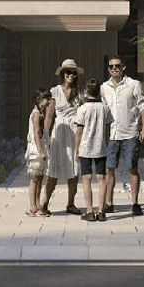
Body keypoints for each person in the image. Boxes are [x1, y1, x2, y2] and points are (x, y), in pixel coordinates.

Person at [100, 56, 144, 216]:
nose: (114, 68)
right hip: (112, 135)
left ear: (123, 67)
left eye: (117, 65)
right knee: (109, 169)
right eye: (111, 66)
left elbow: (143, 106)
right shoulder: (104, 87)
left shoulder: (133, 84)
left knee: (132, 168)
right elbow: (102, 110)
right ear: (108, 69)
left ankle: (134, 203)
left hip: (130, 133)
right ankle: (109, 202)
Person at [42, 58, 84, 216]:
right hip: (59, 132)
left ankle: (71, 204)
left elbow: (84, 113)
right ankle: (45, 204)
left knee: (73, 169)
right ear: (62, 73)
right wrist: (44, 138)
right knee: (53, 170)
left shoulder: (80, 92)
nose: (71, 75)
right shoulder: (55, 91)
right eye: (68, 72)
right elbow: (48, 117)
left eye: (74, 73)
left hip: (74, 132)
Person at [73, 78, 114, 221]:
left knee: (86, 178)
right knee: (102, 178)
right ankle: (101, 211)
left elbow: (78, 132)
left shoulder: (82, 109)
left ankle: (90, 211)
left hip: (85, 148)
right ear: (99, 92)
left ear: (86, 92)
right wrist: (106, 144)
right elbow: (108, 129)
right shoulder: (105, 108)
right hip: (101, 147)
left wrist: (76, 150)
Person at [24, 89, 52, 216]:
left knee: (40, 178)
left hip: (41, 148)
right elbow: (36, 134)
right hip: (35, 150)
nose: (50, 102)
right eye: (48, 99)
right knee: (34, 178)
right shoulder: (36, 114)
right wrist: (40, 151)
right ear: (40, 99)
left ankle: (37, 203)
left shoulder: (41, 112)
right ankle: (32, 206)